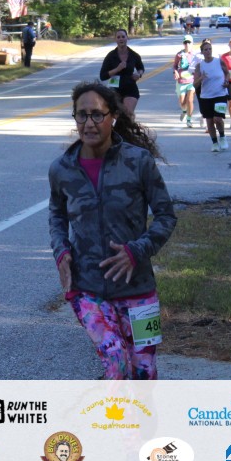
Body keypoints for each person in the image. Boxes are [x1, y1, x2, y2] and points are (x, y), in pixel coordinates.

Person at [48, 81, 177, 380]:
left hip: (139, 290)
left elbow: (166, 216)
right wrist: (61, 251)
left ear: (113, 116)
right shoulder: (62, 169)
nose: (89, 123)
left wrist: (136, 251)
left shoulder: (139, 162)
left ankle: (135, 414)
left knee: (145, 373)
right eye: (81, 115)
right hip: (88, 289)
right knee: (116, 361)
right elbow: (56, 216)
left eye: (97, 114)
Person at [194, 39, 230, 152]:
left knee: (218, 118)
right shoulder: (200, 66)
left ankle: (222, 137)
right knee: (209, 121)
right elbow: (195, 84)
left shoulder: (219, 62)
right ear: (202, 52)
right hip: (206, 97)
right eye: (206, 50)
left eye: (210, 49)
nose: (208, 51)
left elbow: (227, 73)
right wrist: (201, 78)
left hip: (220, 94)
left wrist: (227, 81)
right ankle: (214, 143)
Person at [99, 28, 145, 117]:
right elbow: (103, 76)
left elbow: (141, 68)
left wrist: (139, 74)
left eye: (123, 37)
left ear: (127, 38)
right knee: (116, 116)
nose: (121, 39)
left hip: (130, 87)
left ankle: (130, 125)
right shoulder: (111, 56)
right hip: (115, 89)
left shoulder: (133, 55)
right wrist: (117, 69)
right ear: (115, 39)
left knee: (128, 114)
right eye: (118, 37)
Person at [172, 35, 198, 127]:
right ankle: (184, 111)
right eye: (185, 42)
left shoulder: (195, 55)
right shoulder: (179, 54)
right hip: (181, 81)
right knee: (183, 103)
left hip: (192, 81)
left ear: (192, 43)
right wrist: (175, 72)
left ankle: (189, 120)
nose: (187, 44)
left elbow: (199, 65)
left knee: (190, 100)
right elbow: (175, 65)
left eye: (189, 42)